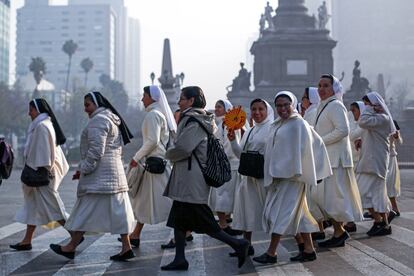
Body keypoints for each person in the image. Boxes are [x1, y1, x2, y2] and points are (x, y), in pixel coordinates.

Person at [162, 86, 249, 271]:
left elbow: (184, 148)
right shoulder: (198, 118)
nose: (179, 102)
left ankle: (237, 244)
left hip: (191, 180)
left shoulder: (194, 120)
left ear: (191, 101)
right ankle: (179, 258)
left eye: (182, 99)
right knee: (178, 219)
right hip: (186, 177)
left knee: (205, 222)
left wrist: (168, 152)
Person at [50, 92, 135, 261]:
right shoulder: (109, 118)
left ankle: (71, 246)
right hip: (113, 175)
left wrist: (84, 169)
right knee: (118, 213)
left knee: (84, 211)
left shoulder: (99, 120)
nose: (85, 109)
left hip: (100, 176)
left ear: (96, 104)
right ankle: (126, 247)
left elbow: (96, 151)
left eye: (88, 105)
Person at [252, 91, 331, 264]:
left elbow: (316, 144)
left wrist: (312, 170)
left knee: (279, 214)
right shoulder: (278, 124)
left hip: (293, 177)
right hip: (279, 177)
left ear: (293, 104)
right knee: (299, 215)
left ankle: (271, 252)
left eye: (285, 105)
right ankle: (309, 249)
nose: (282, 109)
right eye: (279, 105)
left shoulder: (298, 124)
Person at [312, 74, 363, 248]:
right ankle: (339, 231)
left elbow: (343, 130)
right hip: (329, 159)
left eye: (326, 85)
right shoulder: (323, 106)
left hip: (337, 160)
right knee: (328, 199)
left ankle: (340, 232)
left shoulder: (335, 105)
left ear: (334, 88)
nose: (321, 89)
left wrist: (320, 141)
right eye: (319, 85)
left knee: (334, 199)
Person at [11, 99, 69, 251]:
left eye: (30, 109)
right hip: (41, 174)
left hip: (42, 176)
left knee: (55, 208)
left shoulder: (42, 127)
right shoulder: (42, 125)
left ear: (37, 110)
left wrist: (35, 170)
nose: (28, 113)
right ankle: (26, 240)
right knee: (32, 206)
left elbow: (44, 156)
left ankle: (75, 234)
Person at [125, 85, 175, 248]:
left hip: (155, 165)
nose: (142, 99)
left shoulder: (153, 115)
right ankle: (135, 234)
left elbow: (152, 141)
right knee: (143, 201)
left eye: (144, 95)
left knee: (169, 203)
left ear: (152, 97)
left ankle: (182, 233)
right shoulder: (158, 114)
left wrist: (136, 157)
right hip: (156, 164)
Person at [226, 98, 273, 257]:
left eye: (261, 109)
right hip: (248, 178)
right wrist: (233, 141)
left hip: (263, 178)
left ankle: (301, 243)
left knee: (272, 213)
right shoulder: (252, 130)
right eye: (254, 109)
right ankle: (247, 245)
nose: (257, 112)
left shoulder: (272, 129)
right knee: (246, 211)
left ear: (267, 111)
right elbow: (241, 154)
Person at [355, 92, 396, 236]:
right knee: (375, 195)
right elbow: (367, 130)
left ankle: (381, 222)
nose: (365, 107)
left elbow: (362, 121)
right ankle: (382, 222)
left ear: (375, 105)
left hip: (376, 162)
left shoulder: (383, 118)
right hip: (370, 161)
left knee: (363, 193)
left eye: (367, 104)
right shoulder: (377, 118)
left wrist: (370, 109)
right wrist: (362, 139)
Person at [209, 99, 242, 236]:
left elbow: (229, 146)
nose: (216, 109)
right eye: (216, 107)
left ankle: (226, 223)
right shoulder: (221, 124)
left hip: (230, 165)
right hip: (222, 165)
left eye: (219, 107)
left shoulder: (231, 123)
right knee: (221, 195)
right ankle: (224, 222)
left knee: (226, 195)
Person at [344, 101, 366, 232]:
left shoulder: (364, 126)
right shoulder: (352, 124)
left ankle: (381, 219)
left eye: (354, 110)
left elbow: (351, 135)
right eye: (350, 110)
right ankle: (350, 222)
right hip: (352, 162)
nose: (351, 113)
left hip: (361, 164)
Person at [387, 120, 402, 216]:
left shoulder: (392, 122)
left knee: (390, 183)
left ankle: (394, 208)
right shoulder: (374, 121)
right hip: (379, 157)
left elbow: (399, 140)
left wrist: (396, 135)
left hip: (390, 158)